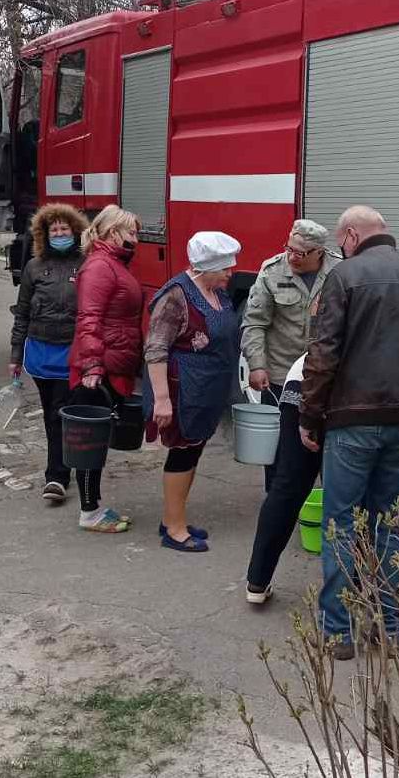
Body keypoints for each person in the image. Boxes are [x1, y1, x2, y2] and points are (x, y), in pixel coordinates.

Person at [302, 206, 399, 660]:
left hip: (351, 420)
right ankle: (394, 626)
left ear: (350, 235)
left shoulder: (343, 279)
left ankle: (339, 632)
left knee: (340, 523)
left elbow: (323, 355)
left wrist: (310, 415)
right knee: (387, 523)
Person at [144, 231, 243, 553]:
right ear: (205, 267)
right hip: (183, 390)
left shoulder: (216, 291)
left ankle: (175, 516)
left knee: (193, 451)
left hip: (206, 391)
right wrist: (161, 400)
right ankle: (173, 529)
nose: (231, 272)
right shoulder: (176, 296)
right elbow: (156, 349)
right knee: (182, 453)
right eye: (225, 267)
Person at [241, 219, 340, 491]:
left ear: (319, 251)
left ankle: (321, 504)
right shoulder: (272, 270)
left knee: (325, 445)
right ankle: (277, 501)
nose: (292, 256)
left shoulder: (340, 271)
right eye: (289, 248)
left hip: (324, 377)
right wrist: (257, 365)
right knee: (280, 450)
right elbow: (255, 322)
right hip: (280, 375)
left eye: (301, 253)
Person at [68, 204, 144, 533]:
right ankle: (89, 513)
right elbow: (89, 319)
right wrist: (92, 365)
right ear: (113, 233)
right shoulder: (100, 266)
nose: (136, 238)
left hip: (112, 361)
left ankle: (94, 506)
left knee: (98, 439)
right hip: (101, 366)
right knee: (90, 441)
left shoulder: (112, 262)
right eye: (132, 232)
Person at [9, 202, 87, 506]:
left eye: (64, 229)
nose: (59, 234)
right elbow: (22, 313)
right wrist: (15, 354)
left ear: (75, 231)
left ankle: (58, 474)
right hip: (41, 352)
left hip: (74, 352)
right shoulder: (34, 267)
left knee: (63, 412)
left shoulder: (86, 264)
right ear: (44, 233)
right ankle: (60, 473)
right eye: (53, 230)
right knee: (52, 414)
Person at [243, 350, 318, 605]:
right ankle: (355, 592)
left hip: (307, 374)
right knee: (346, 494)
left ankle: (257, 581)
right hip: (328, 382)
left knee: (288, 485)